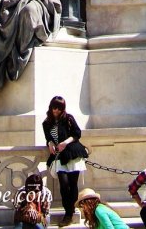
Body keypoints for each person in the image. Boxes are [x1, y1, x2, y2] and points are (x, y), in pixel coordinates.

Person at [43, 96, 88, 227]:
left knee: (73, 184)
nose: (56, 111)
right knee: (64, 185)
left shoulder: (68, 118)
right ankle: (68, 211)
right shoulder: (46, 122)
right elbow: (48, 137)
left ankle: (69, 213)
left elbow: (77, 133)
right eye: (54, 107)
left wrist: (65, 142)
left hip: (73, 153)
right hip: (59, 157)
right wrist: (50, 143)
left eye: (59, 108)